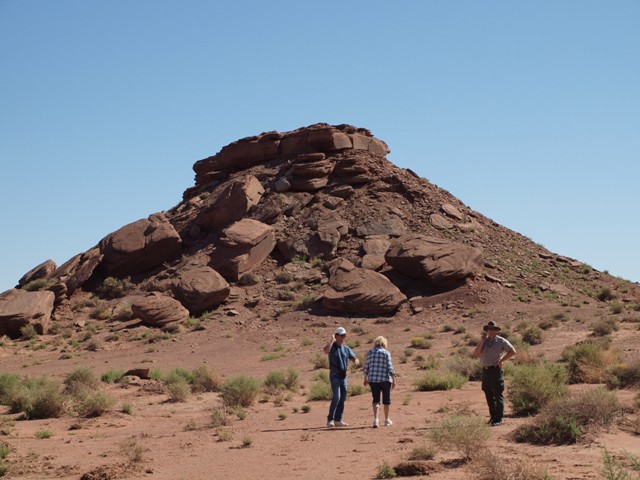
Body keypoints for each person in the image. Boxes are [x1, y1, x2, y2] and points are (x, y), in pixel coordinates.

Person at [473, 320, 516, 426]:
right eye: (489, 329)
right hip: (485, 371)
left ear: (496, 331)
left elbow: (512, 351)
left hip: (495, 370)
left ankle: (499, 418)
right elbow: (476, 353)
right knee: (488, 393)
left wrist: (501, 361)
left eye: (493, 329)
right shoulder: (484, 341)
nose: (491, 331)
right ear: (487, 330)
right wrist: (481, 342)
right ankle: (493, 417)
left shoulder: (501, 341)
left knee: (497, 393)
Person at [323, 326, 360, 427]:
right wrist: (332, 341)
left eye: (344, 335)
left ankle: (338, 419)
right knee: (337, 397)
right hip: (334, 375)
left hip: (343, 376)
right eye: (342, 335)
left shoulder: (346, 348)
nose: (344, 337)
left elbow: (353, 357)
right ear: (336, 336)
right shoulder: (332, 347)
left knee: (343, 398)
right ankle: (330, 419)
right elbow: (325, 351)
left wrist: (356, 360)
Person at [363, 336, 396, 428]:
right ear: (384, 343)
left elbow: (367, 366)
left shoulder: (370, 353)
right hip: (385, 379)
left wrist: (365, 378)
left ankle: (376, 420)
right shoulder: (386, 353)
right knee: (386, 400)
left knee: (376, 400)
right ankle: (386, 420)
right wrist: (394, 378)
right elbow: (390, 367)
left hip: (373, 379)